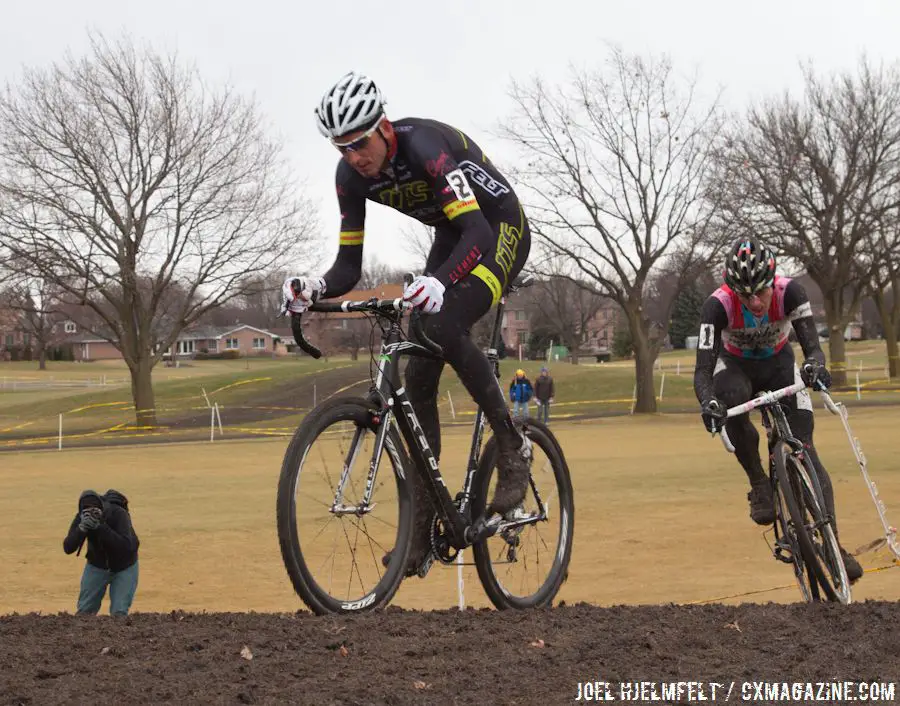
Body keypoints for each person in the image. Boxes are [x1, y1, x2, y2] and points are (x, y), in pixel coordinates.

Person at [282, 72, 533, 577]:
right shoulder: (349, 178)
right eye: (341, 146)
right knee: (416, 372)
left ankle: (511, 443)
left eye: (359, 142)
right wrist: (314, 287)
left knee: (439, 325)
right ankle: (425, 516)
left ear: (383, 127)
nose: (354, 156)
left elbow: (478, 229)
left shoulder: (425, 148)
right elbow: (348, 269)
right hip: (453, 230)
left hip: (497, 227)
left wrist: (439, 282)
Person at [693, 238, 862, 582]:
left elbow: (813, 348)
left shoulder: (792, 293)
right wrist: (708, 402)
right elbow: (702, 370)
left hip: (780, 367)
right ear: (732, 290)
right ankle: (759, 482)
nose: (754, 302)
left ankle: (833, 546)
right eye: (745, 295)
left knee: (808, 452)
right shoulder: (717, 306)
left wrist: (815, 366)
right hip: (736, 369)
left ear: (773, 282)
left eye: (761, 293)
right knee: (730, 398)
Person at [63, 489, 140, 615]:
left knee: (119, 612)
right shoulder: (82, 517)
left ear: (102, 507)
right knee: (85, 611)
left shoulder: (118, 514)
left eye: (94, 510)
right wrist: (81, 528)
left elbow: (126, 546)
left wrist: (100, 527)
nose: (90, 512)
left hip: (125, 566)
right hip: (97, 565)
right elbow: (68, 548)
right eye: (86, 509)